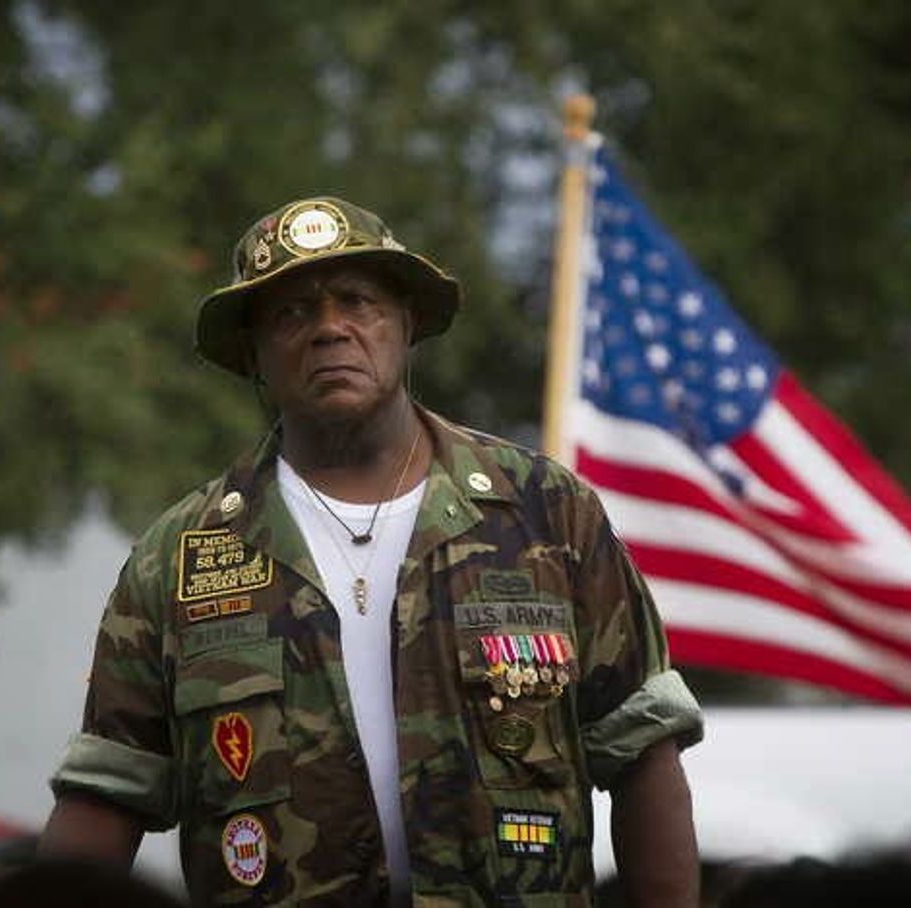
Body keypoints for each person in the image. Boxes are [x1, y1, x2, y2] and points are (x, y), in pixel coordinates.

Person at [39, 196, 704, 906]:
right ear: (255, 355)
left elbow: (641, 753)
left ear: (406, 323)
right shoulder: (179, 557)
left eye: (357, 301)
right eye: (291, 314)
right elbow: (107, 796)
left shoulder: (546, 512)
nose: (330, 329)